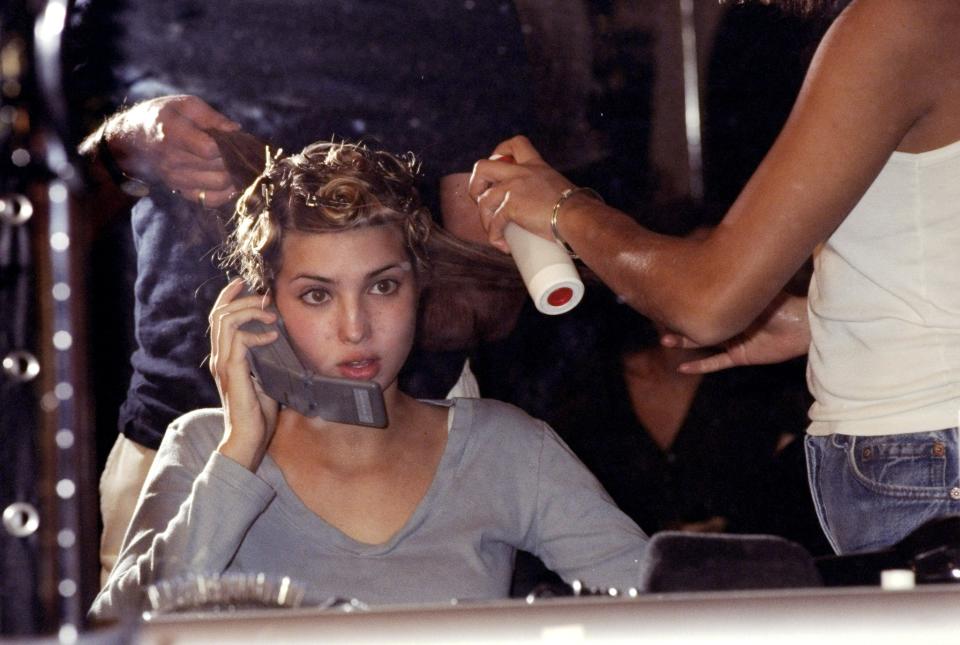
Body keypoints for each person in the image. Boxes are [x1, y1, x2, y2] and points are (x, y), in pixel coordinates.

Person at [70, 1, 602, 585]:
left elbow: (482, 295)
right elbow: (54, 166)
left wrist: (369, 294)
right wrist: (127, 141)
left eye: (385, 285)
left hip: (415, 441)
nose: (352, 324)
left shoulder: (463, 14)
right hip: (180, 421)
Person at [468, 0, 960, 554]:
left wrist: (563, 208)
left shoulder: (900, 18)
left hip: (927, 455)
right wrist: (831, 316)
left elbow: (707, 300)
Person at [88, 141, 647, 621]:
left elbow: (667, 607)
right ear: (264, 308)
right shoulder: (205, 447)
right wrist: (240, 455)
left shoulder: (507, 449)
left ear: (418, 288)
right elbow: (115, 630)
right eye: (317, 294)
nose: (356, 329)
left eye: (383, 287)